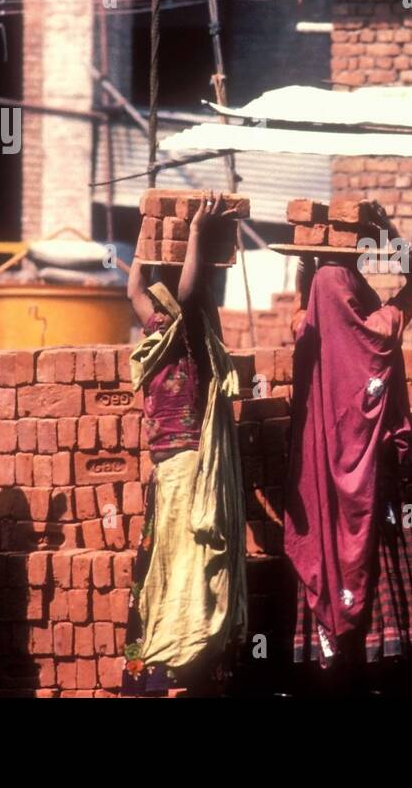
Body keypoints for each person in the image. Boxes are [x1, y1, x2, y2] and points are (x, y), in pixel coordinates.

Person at [283, 204, 412, 684]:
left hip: (332, 452)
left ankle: (342, 657)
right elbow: (376, 338)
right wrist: (393, 238)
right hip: (358, 453)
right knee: (368, 540)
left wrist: (304, 264)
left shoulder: (320, 294)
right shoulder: (335, 284)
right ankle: (369, 659)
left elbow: (302, 315)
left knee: (339, 540)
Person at [122, 193, 247, 694]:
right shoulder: (159, 330)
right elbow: (136, 286)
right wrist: (151, 228)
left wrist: (187, 232)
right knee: (173, 575)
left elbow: (190, 293)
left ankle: (189, 668)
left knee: (189, 572)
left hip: (191, 472)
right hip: (172, 474)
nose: (154, 305)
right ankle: (170, 670)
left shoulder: (189, 332)